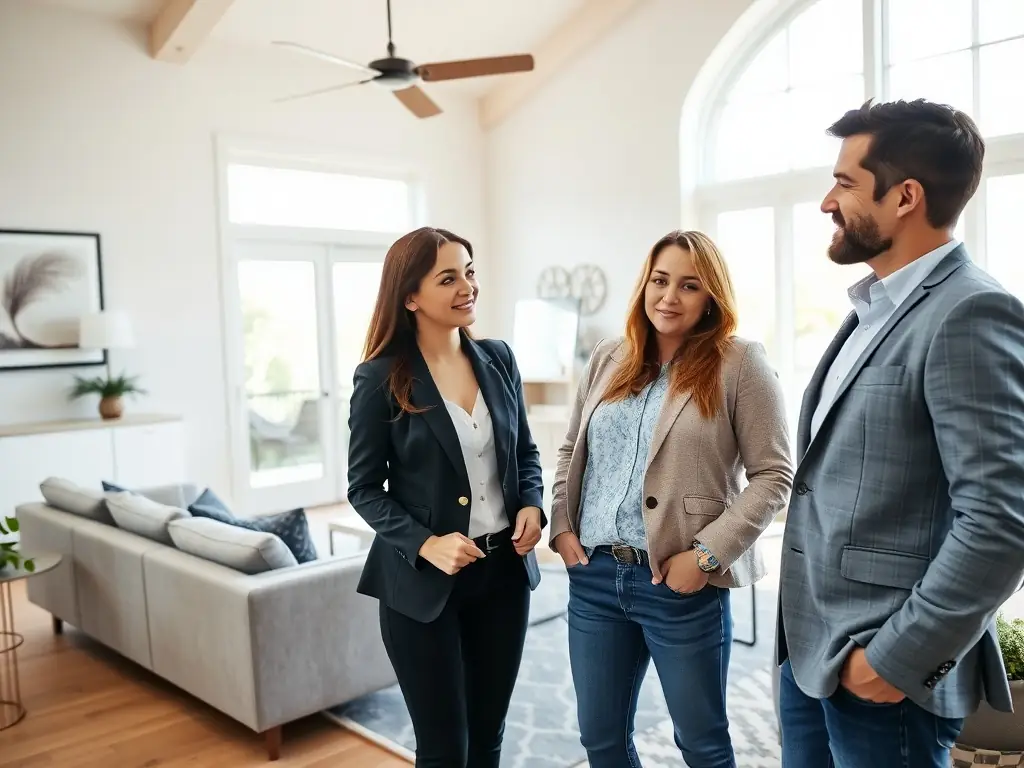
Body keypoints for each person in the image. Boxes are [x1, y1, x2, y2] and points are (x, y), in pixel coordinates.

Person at [777, 98, 1024, 768]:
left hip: (883, 677)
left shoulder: (970, 310)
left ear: (906, 196)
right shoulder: (873, 306)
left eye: (846, 182)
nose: (828, 202)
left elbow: (1000, 521)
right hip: (809, 652)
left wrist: (895, 661)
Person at [548, 230, 794, 768]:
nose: (669, 297)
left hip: (680, 584)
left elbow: (774, 475)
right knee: (601, 742)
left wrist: (706, 556)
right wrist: (562, 526)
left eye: (689, 285)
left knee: (701, 745)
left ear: (711, 297)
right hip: (594, 578)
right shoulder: (609, 356)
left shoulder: (740, 363)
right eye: (660, 281)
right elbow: (572, 448)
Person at [346, 226, 546, 768]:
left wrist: (532, 504)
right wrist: (426, 543)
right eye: (448, 277)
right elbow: (363, 488)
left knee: (488, 737)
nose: (468, 287)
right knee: (444, 748)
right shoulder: (381, 377)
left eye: (471, 272)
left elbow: (525, 452)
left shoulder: (499, 359)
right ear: (410, 296)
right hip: (421, 586)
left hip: (504, 575)